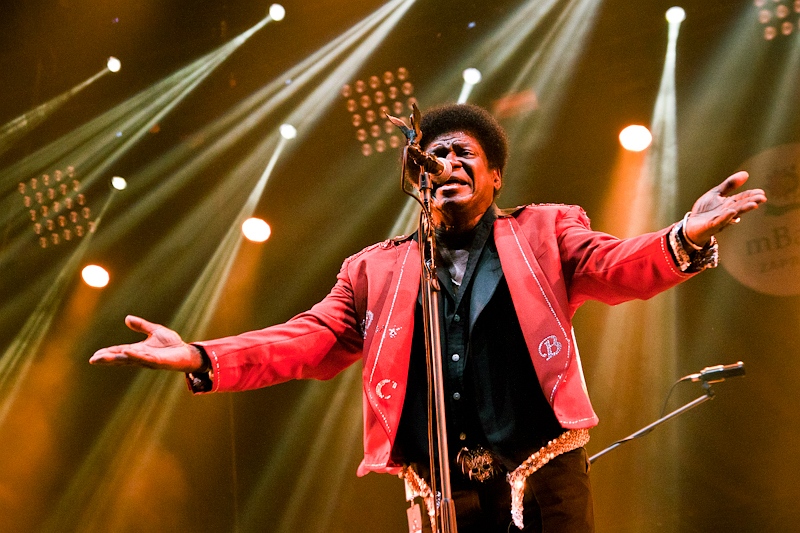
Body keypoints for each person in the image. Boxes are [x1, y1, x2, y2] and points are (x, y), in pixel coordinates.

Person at [90, 104, 766, 532]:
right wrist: (202, 356)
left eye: (462, 153)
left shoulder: (544, 233)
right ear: (419, 180)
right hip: (442, 494)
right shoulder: (374, 269)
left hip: (543, 476)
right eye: (434, 156)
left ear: (494, 175)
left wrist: (684, 235)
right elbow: (303, 339)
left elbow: (619, 264)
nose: (446, 163)